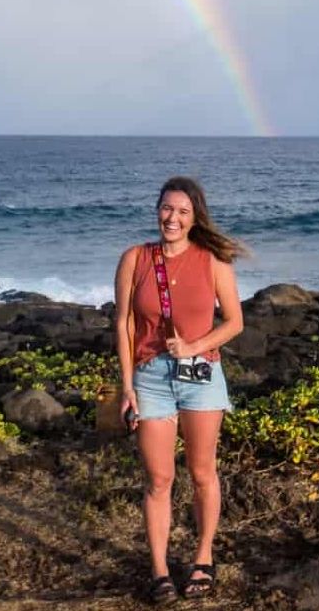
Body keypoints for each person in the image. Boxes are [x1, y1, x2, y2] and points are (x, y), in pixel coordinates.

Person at [113, 176, 245, 604]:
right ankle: (160, 570)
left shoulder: (213, 260)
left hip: (201, 376)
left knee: (203, 473)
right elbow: (125, 324)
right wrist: (126, 385)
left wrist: (193, 346)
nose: (173, 218)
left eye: (183, 212)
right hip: (150, 376)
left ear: (194, 218)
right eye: (167, 209)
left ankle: (203, 558)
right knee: (159, 479)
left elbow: (234, 323)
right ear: (158, 210)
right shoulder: (135, 258)